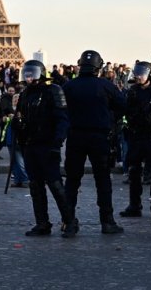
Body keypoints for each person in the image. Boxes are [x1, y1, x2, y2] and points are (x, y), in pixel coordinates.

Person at [61, 51, 127, 236]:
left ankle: (68, 222)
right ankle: (107, 221)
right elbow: (123, 106)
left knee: (72, 181)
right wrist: (109, 118)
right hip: (100, 137)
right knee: (103, 181)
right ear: (98, 68)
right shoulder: (106, 86)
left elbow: (60, 109)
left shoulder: (69, 86)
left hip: (75, 136)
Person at [14, 59, 75, 237]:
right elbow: (21, 118)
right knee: (35, 186)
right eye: (26, 74)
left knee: (55, 185)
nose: (28, 77)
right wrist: (17, 125)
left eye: (32, 74)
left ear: (40, 74)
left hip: (47, 145)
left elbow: (62, 119)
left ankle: (70, 221)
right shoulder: (25, 94)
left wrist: (57, 143)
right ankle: (42, 223)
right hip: (30, 145)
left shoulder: (53, 91)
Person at [120, 61, 151, 220]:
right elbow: (125, 110)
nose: (138, 76)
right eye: (137, 73)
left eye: (141, 73)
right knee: (133, 172)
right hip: (136, 136)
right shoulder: (132, 91)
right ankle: (134, 205)